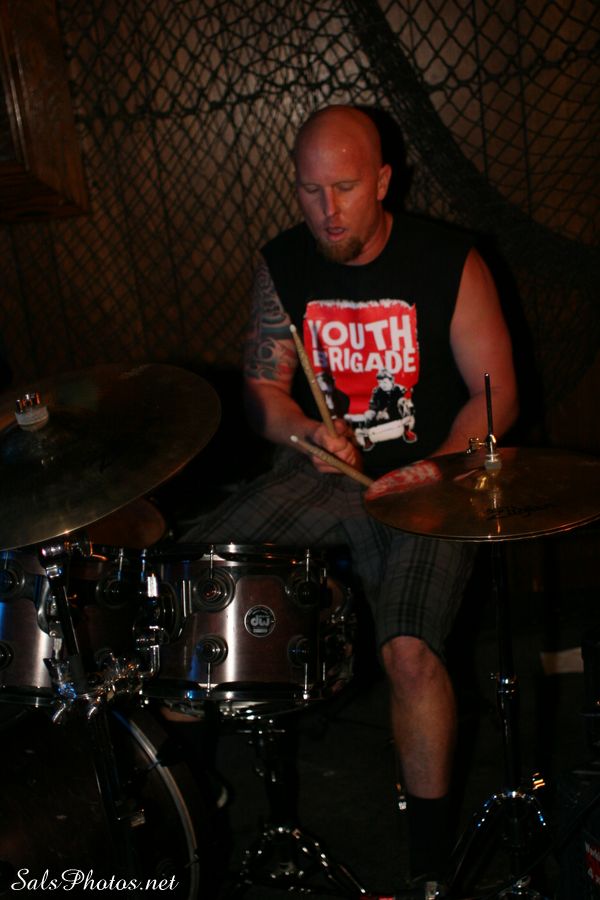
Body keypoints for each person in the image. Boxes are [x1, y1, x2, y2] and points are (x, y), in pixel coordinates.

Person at [181, 104, 518, 895]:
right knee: (190, 582)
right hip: (322, 476)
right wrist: (304, 431)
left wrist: (436, 466)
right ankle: (191, 805)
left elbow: (496, 394)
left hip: (431, 482)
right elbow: (263, 392)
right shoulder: (284, 264)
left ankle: (428, 870)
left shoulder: (449, 261)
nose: (327, 211)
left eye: (345, 188)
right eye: (310, 191)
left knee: (410, 655)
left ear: (384, 181)